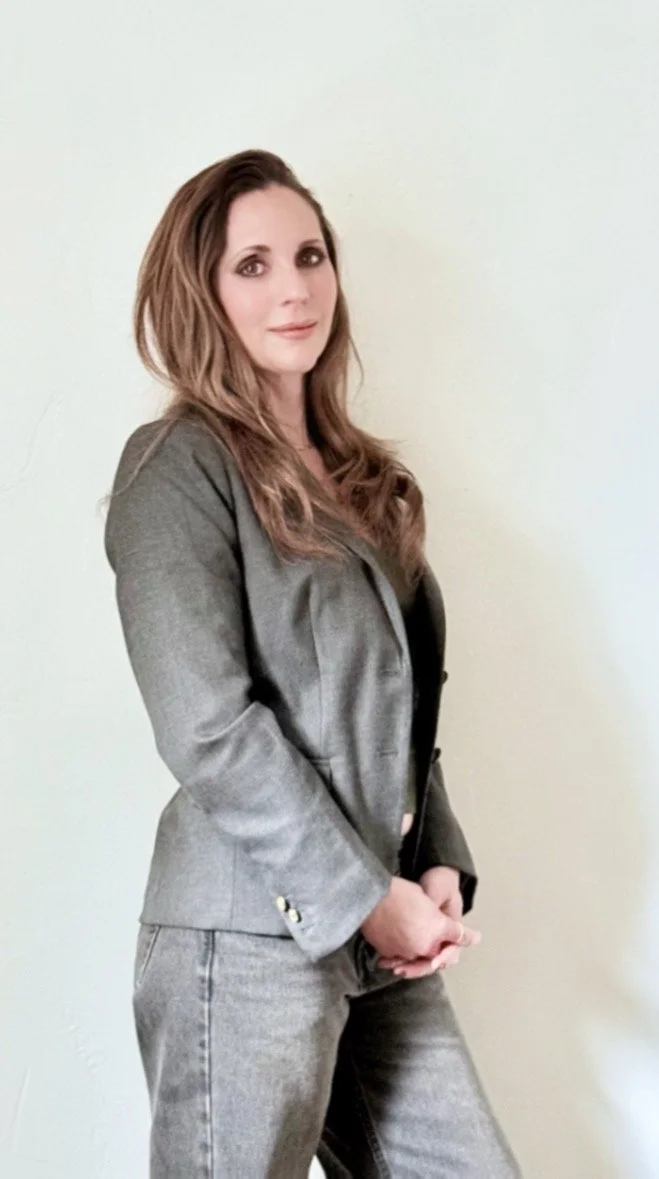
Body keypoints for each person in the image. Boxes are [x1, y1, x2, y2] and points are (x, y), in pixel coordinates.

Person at [102, 148, 523, 1178]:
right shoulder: (176, 468)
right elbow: (206, 722)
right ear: (197, 290)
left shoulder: (357, 483)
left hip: (374, 935)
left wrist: (432, 863)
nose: (293, 288)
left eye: (309, 255)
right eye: (251, 265)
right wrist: (365, 896)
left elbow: (401, 714)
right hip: (244, 940)